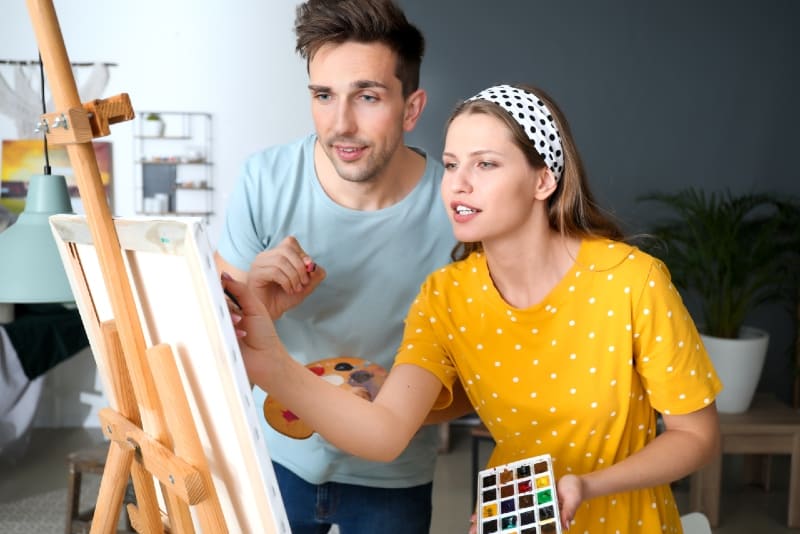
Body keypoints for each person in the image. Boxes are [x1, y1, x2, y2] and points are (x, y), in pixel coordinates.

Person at [223, 83, 723, 533]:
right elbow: (384, 434)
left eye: (485, 164)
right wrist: (269, 361)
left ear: (543, 181)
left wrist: (587, 486)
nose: (458, 183)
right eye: (453, 163)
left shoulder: (631, 280)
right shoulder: (446, 297)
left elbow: (696, 436)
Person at [214, 0, 455, 532]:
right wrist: (253, 301)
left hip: (394, 476)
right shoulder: (263, 180)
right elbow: (210, 348)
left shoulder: (457, 209)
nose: (341, 124)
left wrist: (399, 403)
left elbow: (476, 382)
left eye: (367, 97)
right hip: (274, 458)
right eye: (324, 96)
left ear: (412, 109)